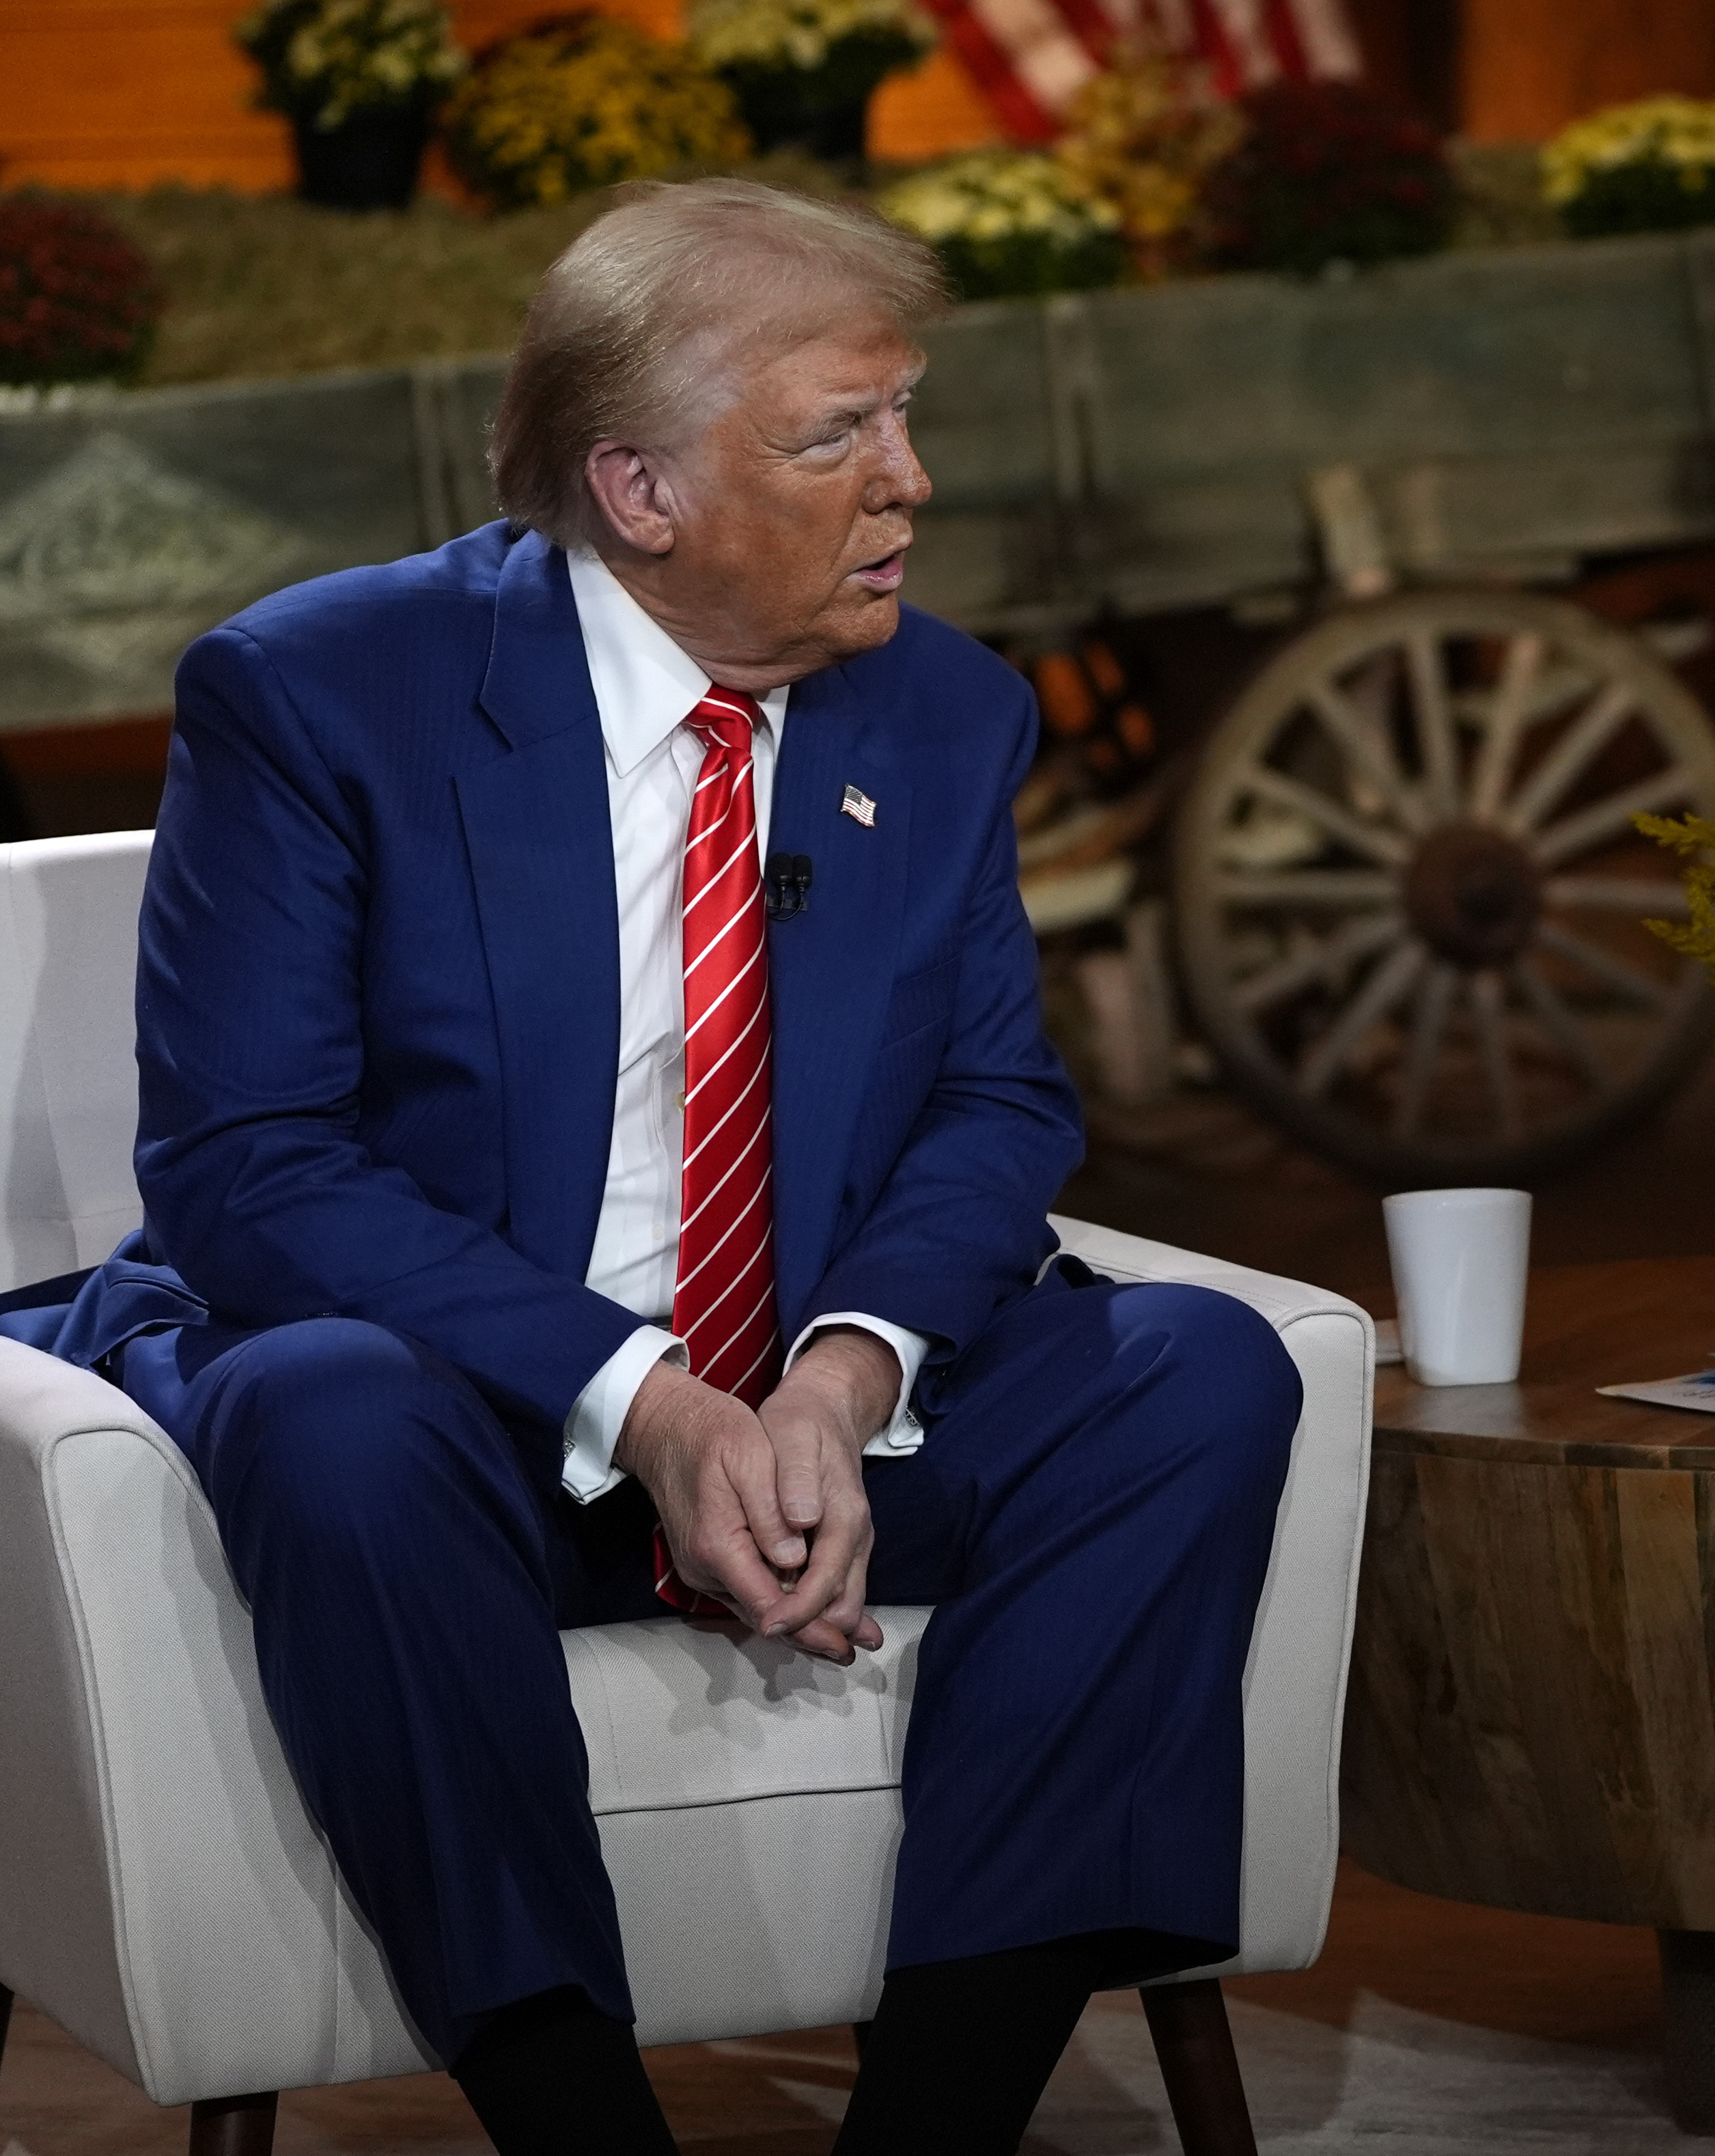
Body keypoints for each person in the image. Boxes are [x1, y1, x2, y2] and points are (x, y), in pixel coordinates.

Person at [5, 180, 1302, 2156]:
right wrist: (654, 1406)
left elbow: (995, 1104)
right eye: (837, 433)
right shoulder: (323, 694)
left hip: (794, 1407)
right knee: (330, 1411)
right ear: (640, 489)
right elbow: (246, 1166)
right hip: (470, 1412)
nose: (911, 480)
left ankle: (938, 2127)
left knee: (1195, 1374)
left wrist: (840, 1382)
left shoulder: (941, 713)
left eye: (904, 414)